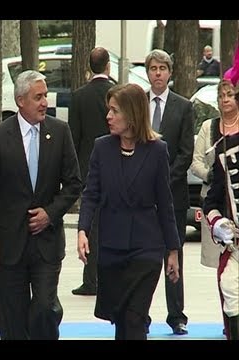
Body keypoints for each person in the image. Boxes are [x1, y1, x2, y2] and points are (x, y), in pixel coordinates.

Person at [0, 70, 81, 340]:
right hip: (9, 245)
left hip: (46, 243)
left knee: (45, 308)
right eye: (38, 97)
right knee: (13, 318)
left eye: (45, 96)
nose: (44, 102)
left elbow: (73, 184)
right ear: (21, 100)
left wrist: (51, 213)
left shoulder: (59, 132)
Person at [78, 83, 180, 340]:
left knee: (135, 318)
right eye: (108, 110)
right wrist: (82, 230)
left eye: (115, 111)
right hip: (112, 248)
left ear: (132, 114)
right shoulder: (102, 147)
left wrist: (173, 250)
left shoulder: (157, 150)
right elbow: (91, 193)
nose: (108, 117)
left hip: (146, 248)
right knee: (121, 320)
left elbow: (165, 203)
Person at [145, 49, 194, 336]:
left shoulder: (183, 106)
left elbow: (186, 153)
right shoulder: (139, 102)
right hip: (142, 197)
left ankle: (177, 315)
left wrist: (163, 182)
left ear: (170, 72)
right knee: (145, 257)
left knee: (173, 256)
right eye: (153, 68)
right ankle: (141, 314)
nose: (158, 73)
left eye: (163, 68)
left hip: (172, 196)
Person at [68, 46, 113, 297]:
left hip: (88, 166)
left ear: (89, 67)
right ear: (108, 66)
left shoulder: (78, 96)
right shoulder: (117, 93)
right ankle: (110, 276)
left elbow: (74, 136)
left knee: (91, 224)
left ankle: (90, 279)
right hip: (117, 164)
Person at [202, 75, 239, 340]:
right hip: (236, 244)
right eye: (222, 96)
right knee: (229, 286)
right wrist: (219, 224)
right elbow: (211, 202)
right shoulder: (222, 152)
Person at [190, 108, 224, 269]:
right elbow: (195, 163)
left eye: (230, 95)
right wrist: (209, 175)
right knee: (218, 266)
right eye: (221, 96)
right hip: (212, 202)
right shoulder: (208, 127)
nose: (225, 100)